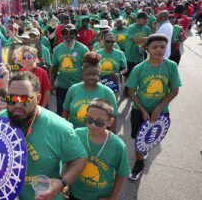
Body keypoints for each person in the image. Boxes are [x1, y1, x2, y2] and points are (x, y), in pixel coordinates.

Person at [0, 71, 87, 200]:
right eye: (12, 98)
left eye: (24, 99)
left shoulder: (60, 128)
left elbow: (80, 158)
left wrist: (61, 183)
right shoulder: (1, 118)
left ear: (38, 99)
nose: (17, 104)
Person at [126, 34, 182, 181]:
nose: (159, 50)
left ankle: (143, 153)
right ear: (147, 49)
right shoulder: (140, 68)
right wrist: (143, 110)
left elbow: (174, 90)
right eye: (154, 47)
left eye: (162, 47)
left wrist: (159, 108)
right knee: (139, 139)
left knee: (150, 137)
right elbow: (131, 91)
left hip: (161, 112)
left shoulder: (171, 66)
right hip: (140, 111)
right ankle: (139, 164)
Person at [69, 99, 131, 200]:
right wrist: (66, 184)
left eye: (99, 122)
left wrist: (113, 197)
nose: (92, 125)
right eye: (89, 119)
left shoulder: (118, 146)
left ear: (110, 122)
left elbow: (121, 174)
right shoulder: (77, 134)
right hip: (75, 192)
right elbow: (69, 161)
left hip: (100, 196)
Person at [62, 52, 118, 132]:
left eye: (95, 74)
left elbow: (114, 116)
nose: (91, 77)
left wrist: (111, 138)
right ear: (83, 74)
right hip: (74, 136)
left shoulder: (107, 92)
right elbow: (65, 112)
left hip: (98, 137)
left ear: (99, 75)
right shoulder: (73, 89)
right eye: (88, 74)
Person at [51, 24, 89, 115]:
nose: (68, 36)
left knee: (76, 111)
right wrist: (51, 83)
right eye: (65, 33)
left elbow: (88, 68)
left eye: (71, 33)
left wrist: (87, 84)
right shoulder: (57, 49)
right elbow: (54, 67)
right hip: (61, 86)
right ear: (62, 36)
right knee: (60, 111)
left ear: (76, 35)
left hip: (78, 86)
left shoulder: (83, 49)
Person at [124, 12, 151, 94]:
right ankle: (127, 90)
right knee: (130, 73)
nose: (146, 20)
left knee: (139, 73)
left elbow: (147, 42)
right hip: (130, 55)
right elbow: (136, 39)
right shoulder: (131, 28)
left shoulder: (147, 28)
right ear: (138, 19)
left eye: (147, 19)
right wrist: (150, 38)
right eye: (144, 19)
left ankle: (136, 89)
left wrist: (145, 46)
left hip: (140, 54)